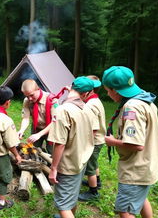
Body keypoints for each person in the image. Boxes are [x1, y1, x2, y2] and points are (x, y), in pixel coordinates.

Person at [102, 66, 158, 218]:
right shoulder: (145, 100)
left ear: (115, 90)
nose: (108, 94)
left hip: (136, 170)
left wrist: (112, 141)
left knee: (126, 210)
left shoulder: (131, 107)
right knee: (140, 200)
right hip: (147, 165)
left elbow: (136, 144)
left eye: (108, 90)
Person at [48, 77, 96, 218]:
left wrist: (53, 168)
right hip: (81, 160)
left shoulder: (63, 110)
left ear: (71, 87)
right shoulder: (88, 108)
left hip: (68, 164)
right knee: (72, 195)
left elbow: (60, 143)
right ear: (86, 94)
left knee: (63, 205)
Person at [78, 75, 106, 201]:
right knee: (94, 163)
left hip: (94, 141)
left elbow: (93, 129)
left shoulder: (91, 105)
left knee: (90, 166)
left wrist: (86, 144)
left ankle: (93, 192)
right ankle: (97, 182)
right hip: (99, 140)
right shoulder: (95, 100)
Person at [17, 79, 59, 154]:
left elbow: (55, 122)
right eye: (27, 96)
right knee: (34, 150)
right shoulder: (27, 101)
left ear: (38, 89)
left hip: (51, 129)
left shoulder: (52, 100)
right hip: (36, 128)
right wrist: (21, 130)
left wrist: (39, 135)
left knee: (52, 152)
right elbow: (26, 118)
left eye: (32, 95)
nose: (30, 98)